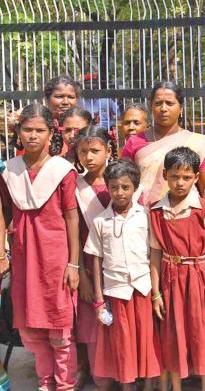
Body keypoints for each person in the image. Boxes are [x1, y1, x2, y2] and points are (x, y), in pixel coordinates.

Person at [0, 103, 79, 391]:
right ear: (18, 133)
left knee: (59, 326)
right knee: (31, 325)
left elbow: (71, 216)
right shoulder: (9, 170)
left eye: (39, 130)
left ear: (50, 135)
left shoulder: (62, 170)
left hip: (56, 256)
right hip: (24, 256)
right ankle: (46, 382)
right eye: (27, 129)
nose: (33, 135)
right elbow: (5, 212)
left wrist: (73, 263)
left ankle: (65, 383)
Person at [148, 147, 205, 391]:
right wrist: (156, 293)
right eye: (174, 176)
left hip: (197, 277)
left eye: (187, 177)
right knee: (173, 331)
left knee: (199, 330)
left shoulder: (203, 208)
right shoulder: (156, 212)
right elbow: (156, 253)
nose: (180, 183)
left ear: (195, 177)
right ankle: (176, 386)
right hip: (170, 278)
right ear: (165, 175)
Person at [84, 160, 162, 390]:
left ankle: (148, 386)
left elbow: (154, 254)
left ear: (135, 188)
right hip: (116, 293)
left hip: (143, 289)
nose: (120, 192)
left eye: (125, 187)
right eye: (114, 187)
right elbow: (96, 259)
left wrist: (157, 291)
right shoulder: (100, 222)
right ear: (107, 187)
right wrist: (99, 301)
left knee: (147, 342)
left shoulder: (145, 216)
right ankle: (127, 387)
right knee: (123, 345)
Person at [122, 81, 205, 206]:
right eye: (158, 103)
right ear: (151, 107)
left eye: (170, 103)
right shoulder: (134, 143)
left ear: (181, 108)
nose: (163, 109)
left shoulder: (198, 143)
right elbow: (123, 182)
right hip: (143, 216)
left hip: (186, 216)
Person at [72, 126, 117, 390]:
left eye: (95, 151)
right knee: (92, 325)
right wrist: (80, 272)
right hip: (89, 266)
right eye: (83, 151)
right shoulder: (75, 187)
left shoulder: (122, 182)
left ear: (109, 151)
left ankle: (122, 374)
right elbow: (74, 234)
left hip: (120, 265)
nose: (89, 157)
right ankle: (97, 375)